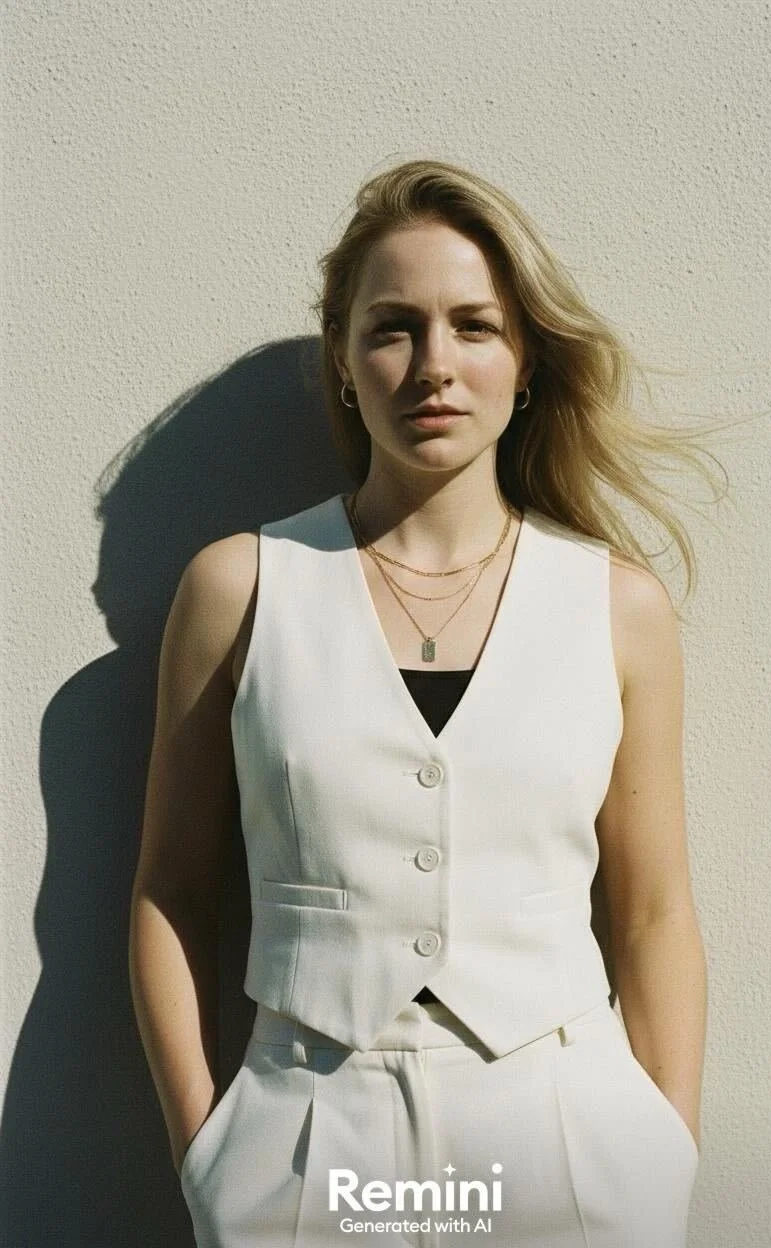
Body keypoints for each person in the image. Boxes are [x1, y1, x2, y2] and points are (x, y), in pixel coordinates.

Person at [129, 158, 714, 1247]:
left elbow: (652, 912)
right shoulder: (241, 588)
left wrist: (663, 1153)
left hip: (569, 1140)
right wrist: (207, 1152)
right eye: (392, 328)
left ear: (525, 360)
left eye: (474, 326)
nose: (432, 366)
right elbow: (171, 889)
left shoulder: (617, 607)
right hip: (303, 1140)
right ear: (344, 364)